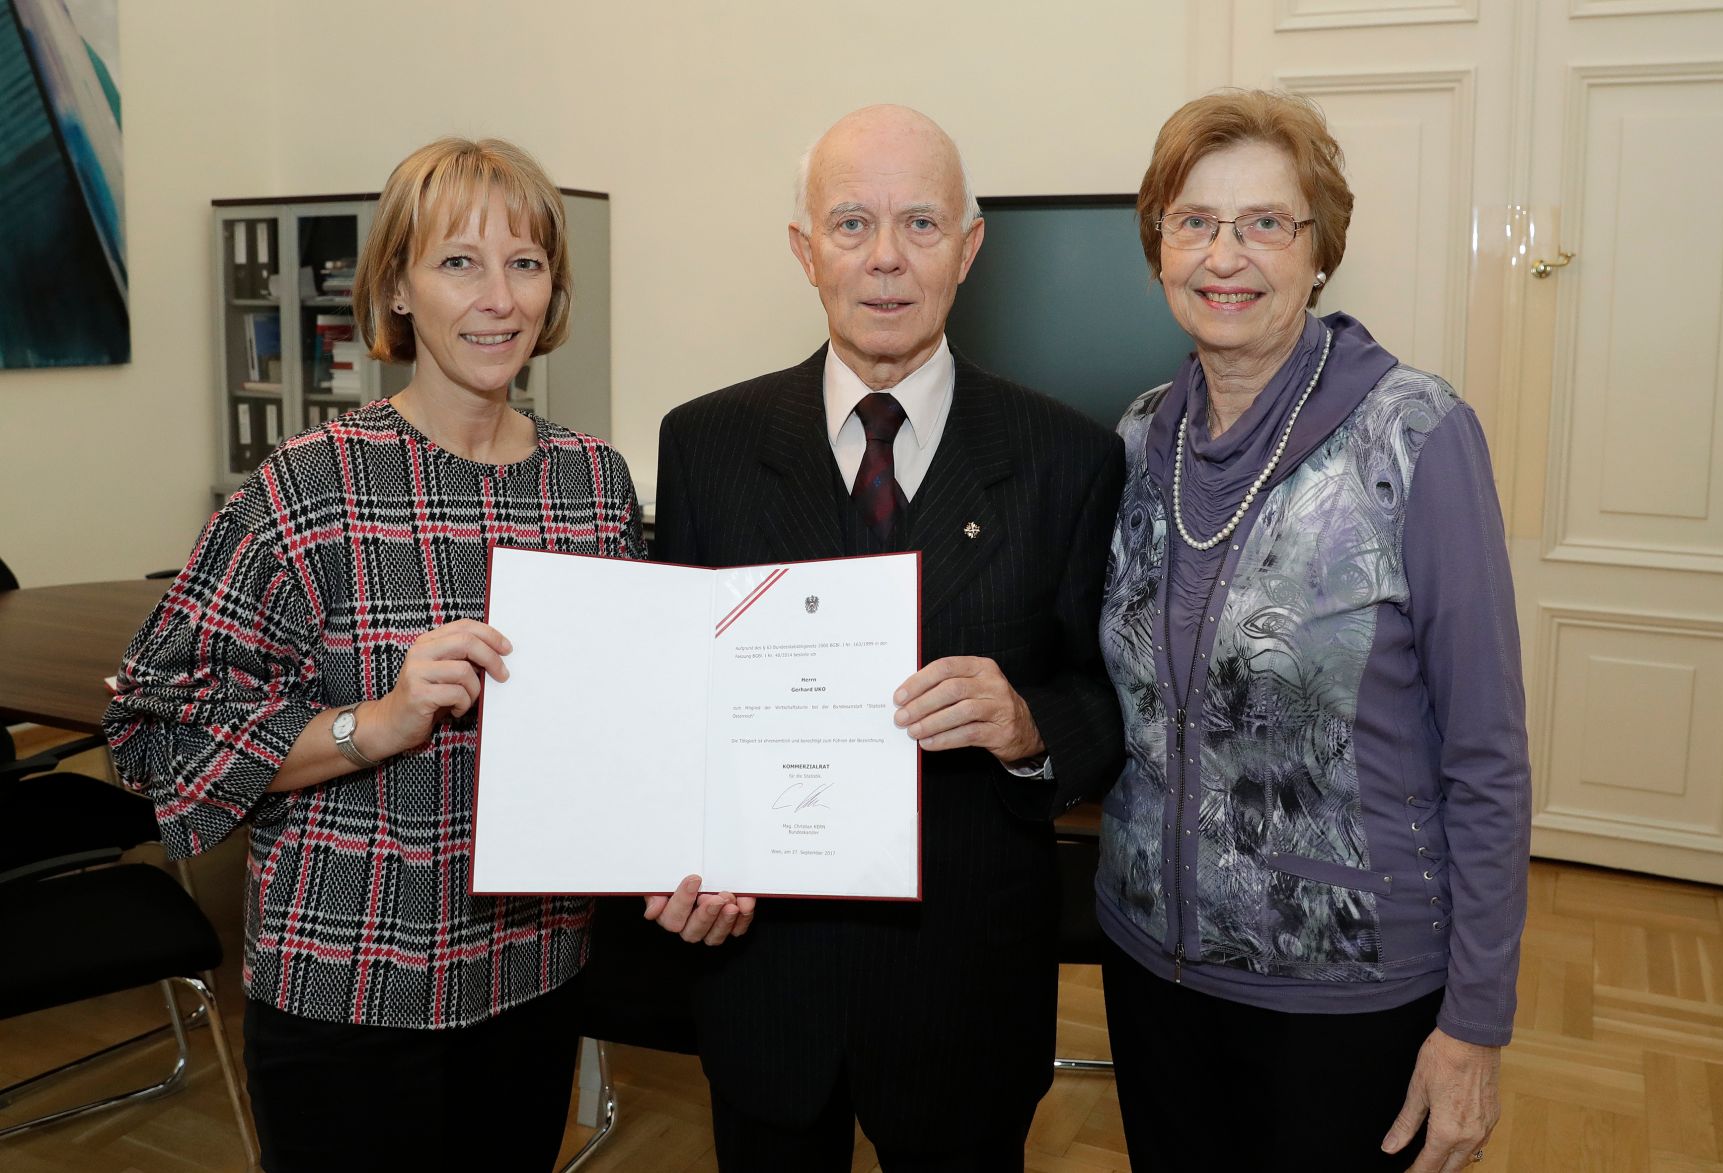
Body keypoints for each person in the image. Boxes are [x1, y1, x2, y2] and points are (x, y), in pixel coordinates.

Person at [102, 137, 732, 1173]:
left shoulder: (589, 483)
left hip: (532, 973)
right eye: (458, 263)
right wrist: (377, 723)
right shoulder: (308, 486)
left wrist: (694, 842)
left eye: (524, 263)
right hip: (344, 989)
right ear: (396, 286)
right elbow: (155, 737)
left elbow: (633, 726)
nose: (497, 298)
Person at [653, 104, 1125, 1170]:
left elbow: (1107, 700)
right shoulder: (706, 445)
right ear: (802, 250)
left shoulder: (1066, 458)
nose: (884, 260)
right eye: (851, 223)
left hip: (963, 987)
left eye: (919, 224)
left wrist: (1025, 724)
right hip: (765, 981)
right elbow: (674, 708)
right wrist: (672, 853)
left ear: (967, 249)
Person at [1095, 89, 1531, 1172]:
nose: (1223, 255)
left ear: (1318, 250)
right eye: (1192, 221)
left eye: (1264, 223)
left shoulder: (1413, 436)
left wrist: (1473, 1024)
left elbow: (1483, 754)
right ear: (1157, 244)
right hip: (1148, 964)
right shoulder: (1140, 436)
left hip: (1346, 995)